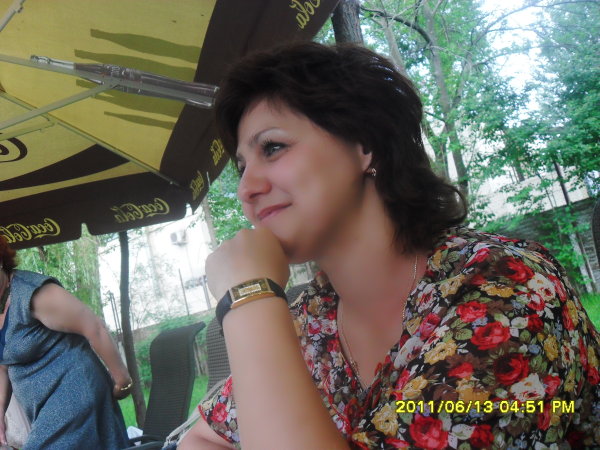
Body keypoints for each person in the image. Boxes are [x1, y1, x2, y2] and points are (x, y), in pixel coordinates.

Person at [179, 42, 600, 449]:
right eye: (242, 167)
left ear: (364, 145)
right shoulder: (314, 318)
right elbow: (201, 438)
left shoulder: (509, 290)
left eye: (273, 148)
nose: (246, 189)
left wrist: (248, 296)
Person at [0, 235, 131, 449]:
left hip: (75, 391)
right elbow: (4, 365)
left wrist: (122, 381)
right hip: (44, 407)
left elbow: (94, 327)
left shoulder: (34, 293)